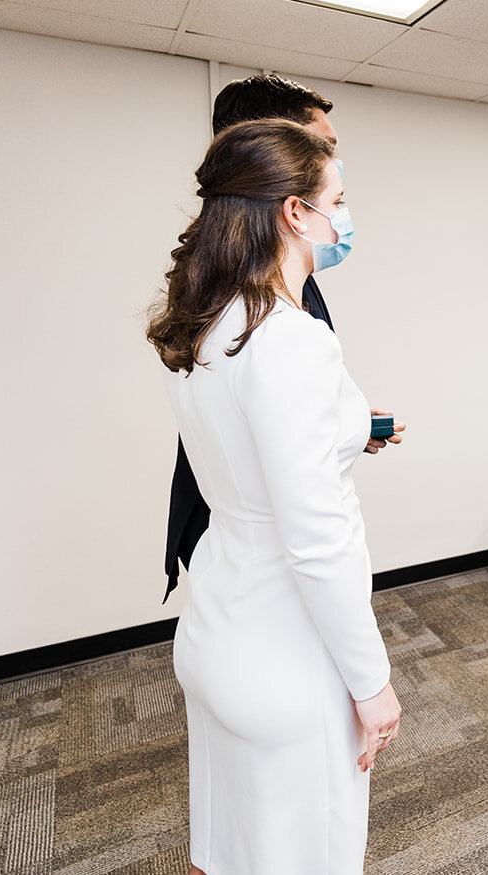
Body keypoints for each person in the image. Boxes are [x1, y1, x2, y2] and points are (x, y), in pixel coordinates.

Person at [146, 119, 400, 873]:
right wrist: (373, 682)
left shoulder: (205, 327)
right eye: (338, 199)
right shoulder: (290, 340)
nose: (344, 218)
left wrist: (351, 432)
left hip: (220, 626)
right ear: (295, 211)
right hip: (287, 655)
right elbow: (317, 539)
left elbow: (247, 460)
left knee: (228, 847)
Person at [164, 75, 402, 598]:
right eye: (326, 148)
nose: (335, 164)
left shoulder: (212, 296)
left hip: (228, 567)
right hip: (271, 560)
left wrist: (343, 422)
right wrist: (372, 681)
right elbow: (314, 542)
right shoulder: (276, 321)